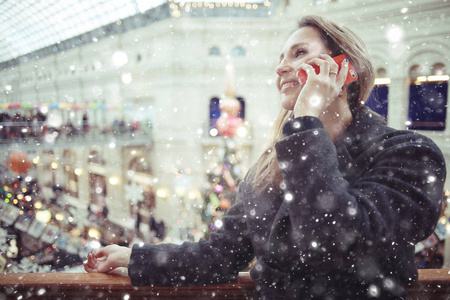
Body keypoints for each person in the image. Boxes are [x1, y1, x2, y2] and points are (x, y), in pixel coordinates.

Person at [84, 15, 446, 299]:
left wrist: (305, 123)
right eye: (281, 58)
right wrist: (138, 258)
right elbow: (221, 255)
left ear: (343, 69)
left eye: (299, 53)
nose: (281, 67)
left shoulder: (410, 155)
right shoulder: (269, 167)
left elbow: (335, 243)